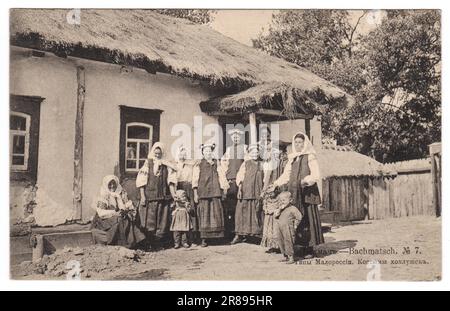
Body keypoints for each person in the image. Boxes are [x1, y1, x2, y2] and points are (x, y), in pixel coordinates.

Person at [268, 131, 324, 259]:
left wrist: (305, 181)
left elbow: (315, 175)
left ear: (305, 143)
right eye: (296, 142)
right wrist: (276, 184)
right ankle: (299, 247)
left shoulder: (310, 156)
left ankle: (309, 248)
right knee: (297, 219)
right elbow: (286, 175)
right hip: (294, 192)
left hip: (307, 193)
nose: (298, 145)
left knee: (307, 219)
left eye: (301, 142)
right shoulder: (292, 158)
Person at [136, 142, 177, 249]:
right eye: (156, 153)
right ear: (153, 152)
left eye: (159, 153)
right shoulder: (147, 164)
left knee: (162, 221)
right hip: (151, 197)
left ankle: (159, 242)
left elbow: (171, 180)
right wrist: (143, 196)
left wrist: (173, 194)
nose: (157, 155)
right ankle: (150, 243)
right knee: (150, 221)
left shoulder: (167, 164)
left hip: (163, 197)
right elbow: (141, 181)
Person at [91, 175, 145, 248]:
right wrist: (114, 213)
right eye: (110, 184)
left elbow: (127, 205)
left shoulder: (121, 192)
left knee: (125, 219)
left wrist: (126, 208)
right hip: (105, 219)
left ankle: (128, 243)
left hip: (119, 216)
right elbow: (101, 213)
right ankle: (117, 242)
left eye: (114, 184)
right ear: (106, 185)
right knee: (119, 220)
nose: (112, 186)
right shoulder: (104, 195)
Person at [192, 143, 229, 247]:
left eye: (209, 151)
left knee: (216, 214)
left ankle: (217, 238)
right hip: (203, 193)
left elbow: (222, 176)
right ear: (203, 153)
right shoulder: (199, 164)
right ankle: (204, 239)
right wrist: (195, 193)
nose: (208, 153)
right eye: (206, 151)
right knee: (204, 215)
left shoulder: (216, 163)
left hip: (215, 192)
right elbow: (195, 179)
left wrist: (224, 189)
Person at [232, 144, 264, 244]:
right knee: (242, 212)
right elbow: (240, 177)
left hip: (258, 192)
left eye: (257, 152)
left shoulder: (262, 164)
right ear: (249, 153)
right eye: (252, 152)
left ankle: (257, 236)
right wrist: (240, 189)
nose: (255, 154)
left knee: (257, 213)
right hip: (246, 191)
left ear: (259, 153)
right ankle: (239, 235)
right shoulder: (245, 164)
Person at [221, 129, 248, 240]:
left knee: (241, 207)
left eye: (237, 137)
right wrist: (225, 179)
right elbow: (224, 164)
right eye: (233, 137)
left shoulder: (245, 148)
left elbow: (247, 163)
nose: (235, 138)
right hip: (231, 181)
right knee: (231, 208)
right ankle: (232, 232)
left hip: (241, 181)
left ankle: (242, 233)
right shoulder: (228, 150)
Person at [174, 145, 199, 245]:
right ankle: (179, 240)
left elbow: (194, 177)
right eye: (181, 154)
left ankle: (192, 239)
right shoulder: (175, 166)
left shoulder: (190, 166)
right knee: (180, 212)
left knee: (191, 211)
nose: (182, 156)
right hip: (179, 189)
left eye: (184, 154)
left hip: (189, 189)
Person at [274, 191, 303, 264]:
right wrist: (279, 210)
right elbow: (275, 216)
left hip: (288, 228)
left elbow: (299, 217)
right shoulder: (280, 208)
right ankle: (285, 256)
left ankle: (291, 257)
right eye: (280, 200)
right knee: (281, 241)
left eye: (284, 200)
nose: (282, 202)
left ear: (290, 200)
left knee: (288, 241)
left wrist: (295, 225)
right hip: (280, 227)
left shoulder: (293, 208)